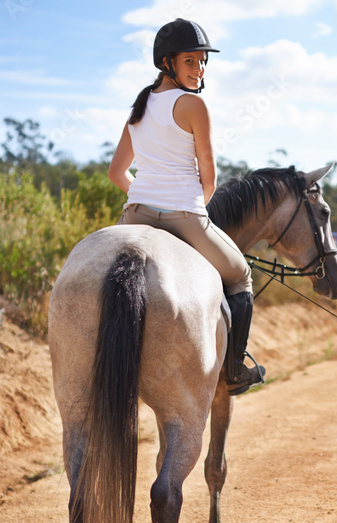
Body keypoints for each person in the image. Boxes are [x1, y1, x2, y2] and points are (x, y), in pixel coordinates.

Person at [109, 18, 265, 395]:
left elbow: (116, 173)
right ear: (168, 62)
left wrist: (145, 198)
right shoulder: (193, 105)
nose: (200, 69)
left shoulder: (139, 108)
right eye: (191, 61)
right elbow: (208, 179)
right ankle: (233, 370)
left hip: (134, 215)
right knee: (241, 275)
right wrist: (185, 208)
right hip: (185, 216)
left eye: (202, 62)